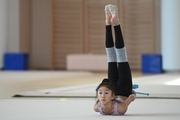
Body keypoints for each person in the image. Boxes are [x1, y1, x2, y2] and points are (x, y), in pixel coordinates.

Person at [94, 4, 136, 115]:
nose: (102, 96)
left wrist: (104, 90)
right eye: (101, 94)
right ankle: (115, 23)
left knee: (111, 56)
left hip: (112, 86)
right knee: (120, 56)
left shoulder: (97, 108)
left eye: (102, 94)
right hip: (124, 88)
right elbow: (131, 98)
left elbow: (100, 97)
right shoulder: (120, 108)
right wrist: (132, 93)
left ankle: (108, 23)